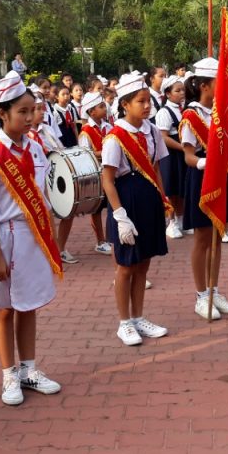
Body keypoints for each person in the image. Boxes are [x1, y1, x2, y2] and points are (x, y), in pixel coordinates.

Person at [0, 73, 63, 406]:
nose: (29, 118)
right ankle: (8, 375)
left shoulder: (36, 148)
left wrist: (49, 234)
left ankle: (29, 369)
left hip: (32, 238)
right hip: (5, 239)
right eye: (22, 112)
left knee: (29, 306)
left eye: (32, 111)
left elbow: (41, 194)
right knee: (4, 309)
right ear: (3, 114)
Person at [102, 72, 172, 346]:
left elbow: (155, 169)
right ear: (125, 104)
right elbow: (108, 180)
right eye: (140, 102)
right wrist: (120, 217)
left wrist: (164, 201)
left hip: (149, 199)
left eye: (147, 101)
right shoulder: (115, 137)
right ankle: (124, 322)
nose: (146, 106)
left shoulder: (152, 130)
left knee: (143, 264)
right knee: (126, 266)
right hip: (126, 200)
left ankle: (139, 317)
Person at [180, 59, 228, 319]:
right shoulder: (191, 115)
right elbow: (188, 156)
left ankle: (214, 289)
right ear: (205, 86)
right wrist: (207, 163)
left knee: (218, 235)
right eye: (220, 83)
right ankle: (201, 294)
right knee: (202, 238)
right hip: (202, 179)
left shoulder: (222, 112)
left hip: (222, 178)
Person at [73, 92, 113, 259]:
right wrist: (105, 152)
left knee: (112, 206)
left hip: (110, 171)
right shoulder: (86, 132)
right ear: (91, 112)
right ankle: (100, 241)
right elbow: (85, 154)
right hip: (97, 174)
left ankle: (112, 237)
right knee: (96, 209)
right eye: (101, 106)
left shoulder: (109, 127)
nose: (105, 109)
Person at [154, 75, 186, 239]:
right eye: (177, 90)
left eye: (182, 90)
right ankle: (171, 221)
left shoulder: (183, 109)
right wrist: (182, 147)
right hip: (171, 153)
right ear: (167, 93)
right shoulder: (164, 112)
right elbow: (164, 137)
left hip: (182, 152)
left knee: (181, 189)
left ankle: (181, 220)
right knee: (171, 188)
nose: (181, 93)